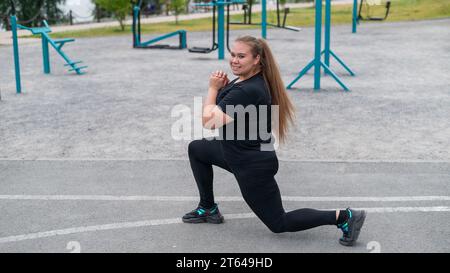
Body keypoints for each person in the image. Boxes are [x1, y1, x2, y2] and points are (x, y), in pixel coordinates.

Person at [182, 35, 366, 246]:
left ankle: (345, 217)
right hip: (236, 152)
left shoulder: (249, 88)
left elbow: (209, 121)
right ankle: (208, 208)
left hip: (251, 165)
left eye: (241, 56)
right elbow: (229, 108)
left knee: (279, 222)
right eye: (233, 54)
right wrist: (223, 88)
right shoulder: (246, 79)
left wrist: (213, 88)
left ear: (257, 59)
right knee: (197, 149)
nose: (234, 60)